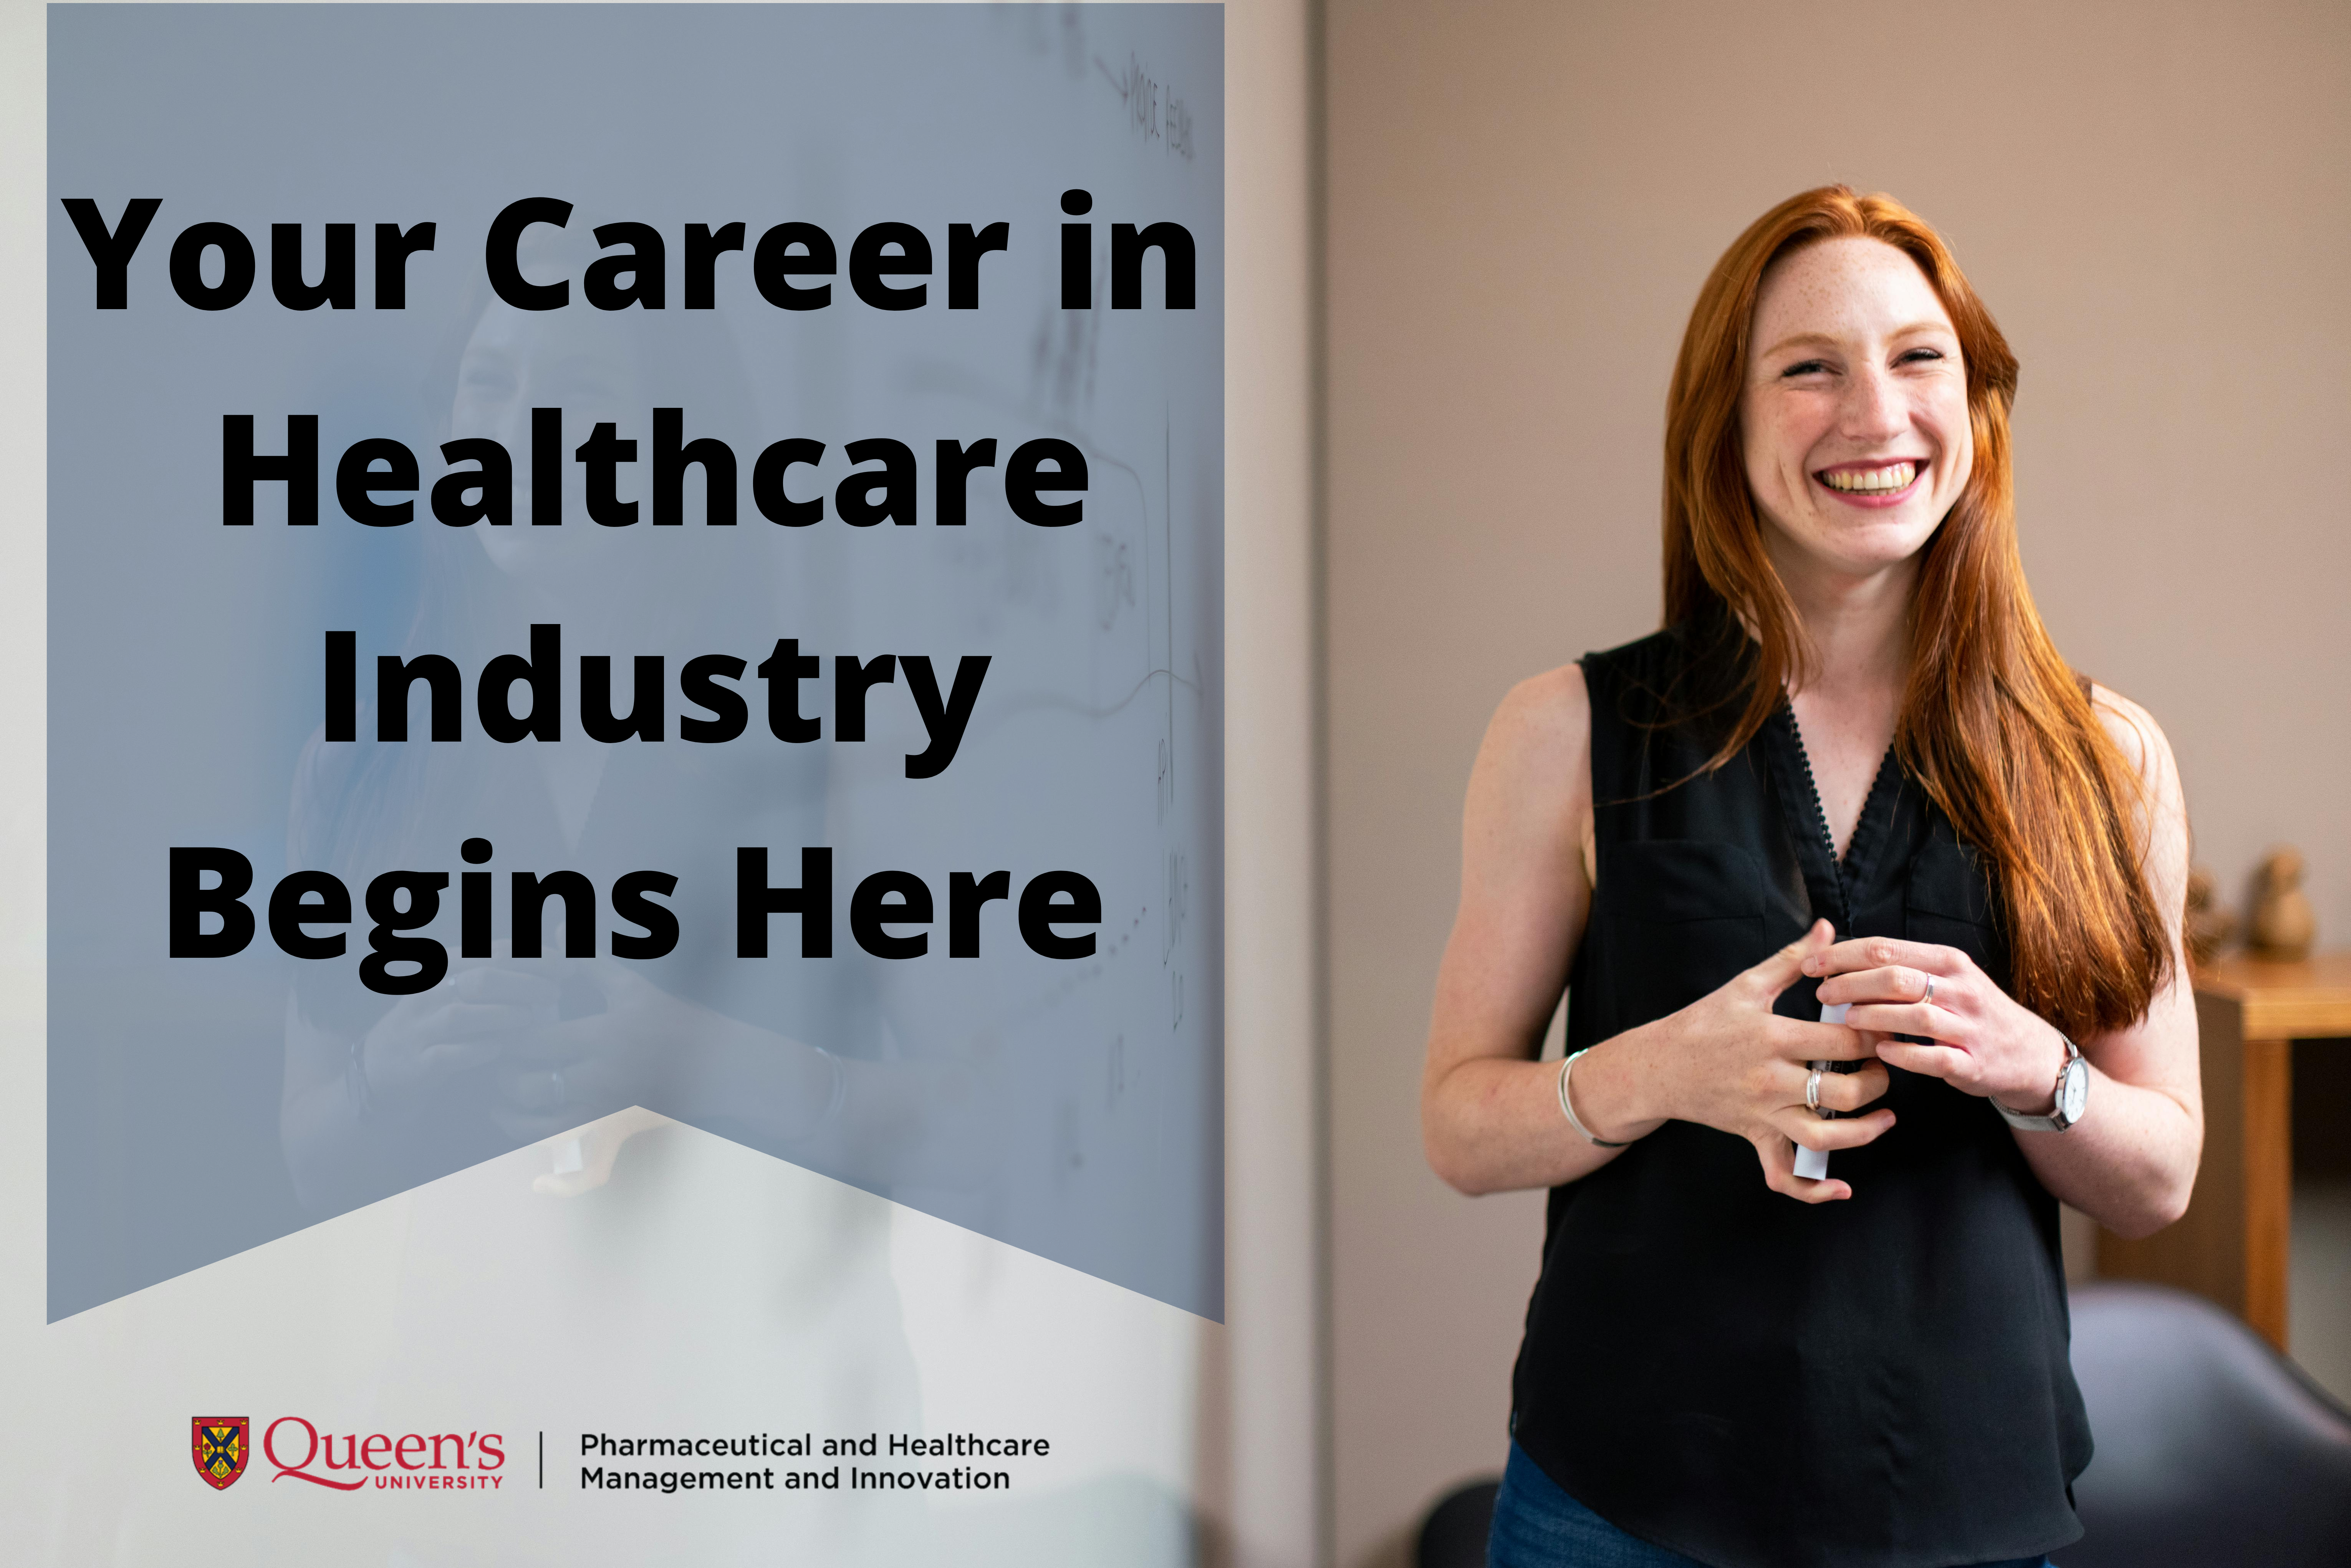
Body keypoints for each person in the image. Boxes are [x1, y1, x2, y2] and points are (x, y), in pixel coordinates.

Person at [1421, 187, 2199, 1568]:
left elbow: (2160, 1176)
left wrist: (2035, 1068)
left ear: (1977, 404)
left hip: (1968, 1513)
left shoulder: (2110, 757)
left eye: (1917, 358)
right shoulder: (1565, 731)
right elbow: (1461, 1126)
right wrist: (1662, 1071)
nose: (1874, 413)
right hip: (1620, 1509)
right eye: (1810, 369)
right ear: (1725, 421)